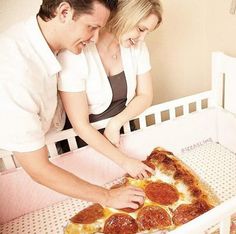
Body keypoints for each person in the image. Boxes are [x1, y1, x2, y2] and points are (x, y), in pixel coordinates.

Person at [0, 0, 148, 211]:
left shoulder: (39, 42)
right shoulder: (14, 73)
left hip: (48, 145)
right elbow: (38, 169)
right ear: (64, 12)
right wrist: (106, 196)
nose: (95, 38)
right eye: (92, 27)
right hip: (22, 164)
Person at [58, 0, 162, 180]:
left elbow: (145, 95)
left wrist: (116, 123)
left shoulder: (137, 48)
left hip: (123, 127)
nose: (142, 38)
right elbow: (80, 125)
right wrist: (125, 161)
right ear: (123, 18)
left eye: (147, 32)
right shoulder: (76, 53)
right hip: (87, 139)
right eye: (141, 29)